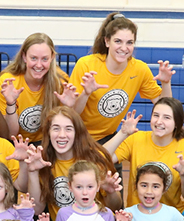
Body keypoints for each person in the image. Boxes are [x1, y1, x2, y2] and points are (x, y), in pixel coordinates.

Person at [70, 12, 175, 141]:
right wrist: (85, 94)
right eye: (118, 41)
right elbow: (71, 113)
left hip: (107, 138)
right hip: (77, 137)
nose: (124, 48)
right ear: (107, 41)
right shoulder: (86, 65)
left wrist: (166, 83)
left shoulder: (139, 69)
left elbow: (165, 107)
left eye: (129, 42)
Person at [105, 98, 184, 213]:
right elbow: (101, 157)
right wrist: (122, 133)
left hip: (171, 219)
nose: (159, 121)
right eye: (156, 115)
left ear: (176, 123)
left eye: (166, 117)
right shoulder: (136, 138)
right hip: (135, 217)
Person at [0, 33, 81, 140]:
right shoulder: (10, 82)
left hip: (47, 142)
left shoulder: (60, 81)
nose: (39, 65)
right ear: (24, 57)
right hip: (16, 143)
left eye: (45, 59)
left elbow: (63, 131)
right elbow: (10, 134)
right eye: (34, 58)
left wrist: (68, 108)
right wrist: (11, 103)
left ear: (52, 58)